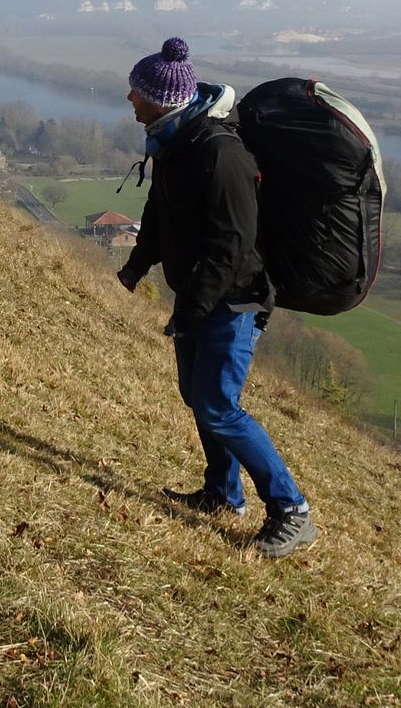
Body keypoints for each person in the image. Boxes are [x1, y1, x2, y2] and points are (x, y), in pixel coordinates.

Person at [116, 36, 318, 559]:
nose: (130, 100)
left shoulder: (220, 154)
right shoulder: (173, 143)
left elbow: (230, 245)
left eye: (137, 93)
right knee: (198, 398)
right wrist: (138, 266)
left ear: (162, 98)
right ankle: (223, 494)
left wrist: (190, 310)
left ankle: (292, 511)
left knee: (218, 405)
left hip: (234, 302)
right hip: (202, 300)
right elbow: (161, 213)